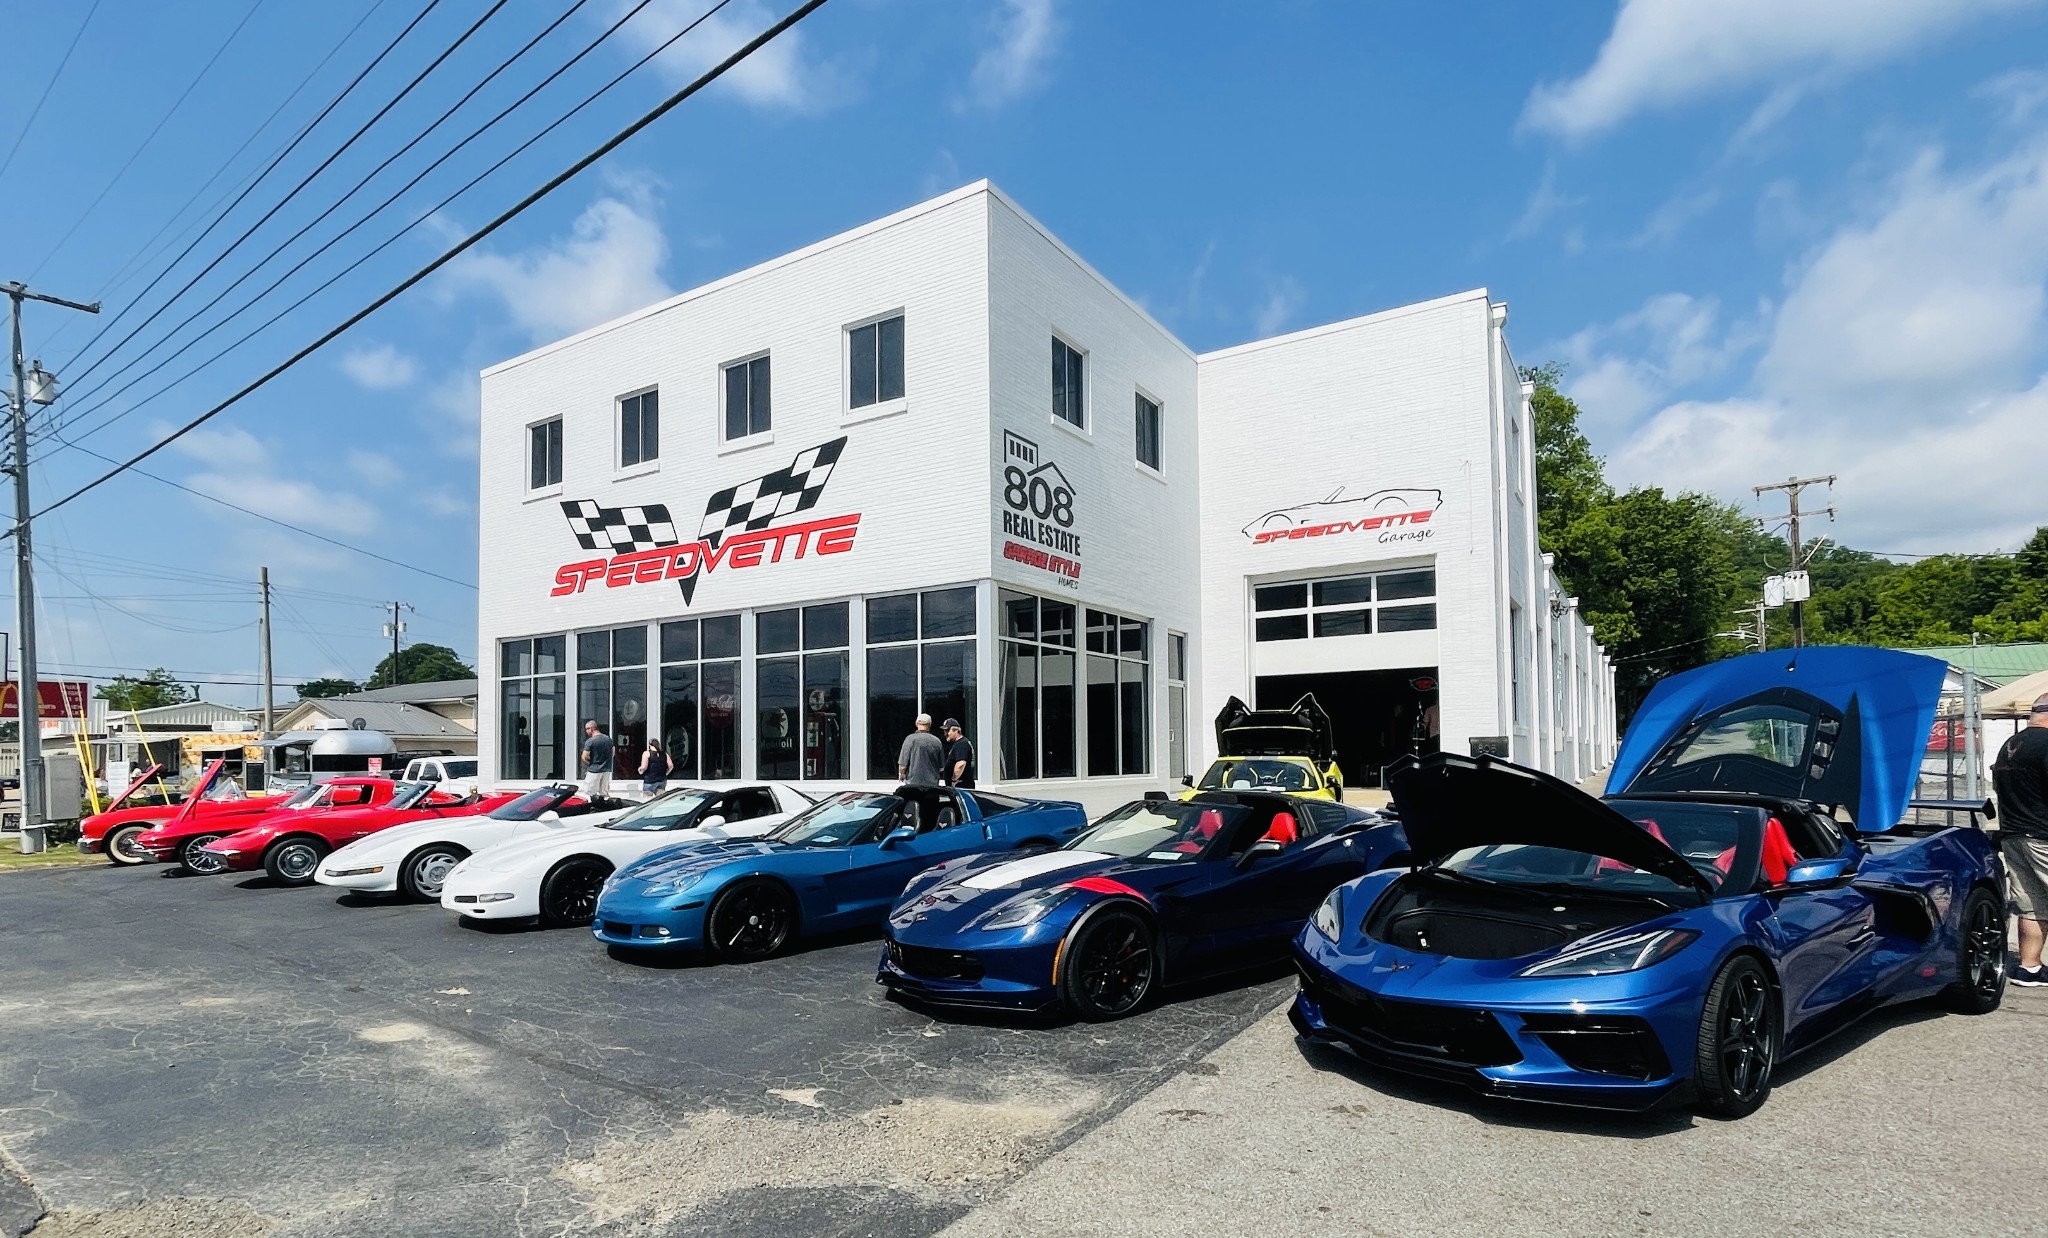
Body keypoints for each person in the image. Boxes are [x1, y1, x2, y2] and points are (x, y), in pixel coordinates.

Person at [1993, 693, 2048, 986]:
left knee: (2031, 903)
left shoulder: (2011, 745)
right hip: (2042, 835)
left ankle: (2029, 967)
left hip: (2013, 833)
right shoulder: (2045, 744)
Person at [896, 713, 945, 787]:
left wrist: (902, 773)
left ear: (916, 724)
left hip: (913, 784)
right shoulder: (937, 741)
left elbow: (903, 764)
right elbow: (941, 767)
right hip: (932, 785)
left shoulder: (910, 739)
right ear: (930, 725)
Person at [580, 720, 615, 799]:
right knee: (604, 793)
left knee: (589, 792)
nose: (586, 731)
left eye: (587, 729)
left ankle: (592, 808)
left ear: (592, 729)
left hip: (594, 770)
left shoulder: (590, 741)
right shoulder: (608, 740)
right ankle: (606, 808)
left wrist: (591, 762)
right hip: (606, 770)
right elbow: (613, 753)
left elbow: (584, 756)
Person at [942, 718, 976, 789]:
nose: (945, 734)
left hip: (961, 787)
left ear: (956, 731)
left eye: (947, 731)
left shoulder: (961, 744)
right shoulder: (961, 743)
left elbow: (961, 764)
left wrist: (954, 781)